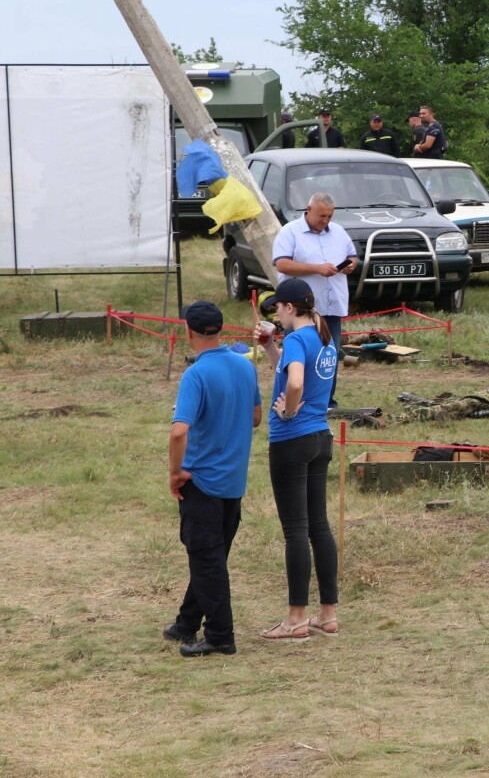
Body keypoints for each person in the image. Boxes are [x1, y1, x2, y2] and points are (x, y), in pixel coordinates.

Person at [164, 300, 262, 658]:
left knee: (206, 559)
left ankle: (220, 636)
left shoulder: (196, 374)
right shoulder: (244, 365)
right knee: (210, 556)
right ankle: (186, 622)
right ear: (219, 330)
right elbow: (255, 417)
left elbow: (178, 433)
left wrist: (175, 474)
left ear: (188, 331)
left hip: (202, 481)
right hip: (233, 481)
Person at [257, 278, 340, 642]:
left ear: (290, 308)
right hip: (320, 437)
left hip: (292, 440)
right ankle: (327, 614)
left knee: (295, 531)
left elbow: (294, 384)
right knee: (318, 526)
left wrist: (289, 412)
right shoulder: (323, 337)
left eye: (277, 307)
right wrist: (270, 346)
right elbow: (286, 372)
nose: (275, 313)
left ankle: (296, 618)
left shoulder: (297, 339)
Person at [272, 193, 357, 406]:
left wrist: (351, 264)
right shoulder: (289, 231)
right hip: (301, 310)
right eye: (321, 216)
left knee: (329, 356)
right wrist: (317, 269)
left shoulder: (338, 232)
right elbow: (282, 264)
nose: (326, 221)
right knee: (298, 355)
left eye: (329, 216)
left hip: (333, 305)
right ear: (308, 210)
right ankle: (293, 397)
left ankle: (326, 400)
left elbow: (352, 255)